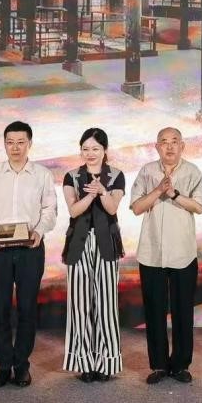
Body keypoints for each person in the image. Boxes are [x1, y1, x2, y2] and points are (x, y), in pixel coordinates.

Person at [0, 120, 56, 388]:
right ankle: (3, 364)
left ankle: (21, 365)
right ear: (4, 144)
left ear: (30, 144)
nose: (15, 147)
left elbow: (50, 209)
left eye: (21, 142)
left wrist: (39, 232)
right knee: (0, 307)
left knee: (27, 308)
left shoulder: (42, 174)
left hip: (30, 249)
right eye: (10, 142)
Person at [129, 127, 202, 384]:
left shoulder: (192, 171)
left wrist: (174, 193)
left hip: (183, 252)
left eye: (175, 141)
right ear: (157, 147)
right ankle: (159, 366)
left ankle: (181, 365)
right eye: (164, 142)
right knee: (154, 310)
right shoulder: (146, 171)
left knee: (183, 310)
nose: (170, 146)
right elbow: (137, 208)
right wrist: (158, 190)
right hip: (151, 252)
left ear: (182, 146)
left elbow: (199, 207)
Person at [61, 127, 126, 381]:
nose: (90, 153)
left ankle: (106, 363)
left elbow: (112, 208)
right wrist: (90, 194)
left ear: (104, 150)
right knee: (79, 305)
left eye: (95, 149)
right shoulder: (72, 176)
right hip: (78, 243)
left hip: (106, 243)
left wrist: (102, 191)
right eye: (85, 149)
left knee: (106, 305)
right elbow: (74, 211)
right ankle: (84, 363)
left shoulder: (116, 175)